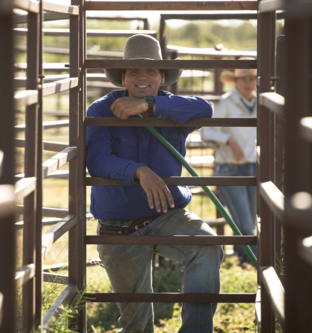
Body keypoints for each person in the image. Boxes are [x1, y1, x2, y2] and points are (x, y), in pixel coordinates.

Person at [86, 34, 224, 333]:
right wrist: (139, 171)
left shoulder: (173, 107)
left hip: (167, 214)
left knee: (208, 247)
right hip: (118, 223)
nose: (142, 77)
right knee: (137, 326)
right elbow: (96, 160)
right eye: (134, 71)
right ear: (123, 77)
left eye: (150, 71)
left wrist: (148, 106)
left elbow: (206, 110)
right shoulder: (101, 109)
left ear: (163, 76)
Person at [200, 64, 258, 266]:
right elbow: (206, 132)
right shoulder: (226, 103)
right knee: (244, 220)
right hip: (230, 167)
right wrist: (229, 140)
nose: (248, 83)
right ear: (236, 82)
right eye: (244, 79)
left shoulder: (259, 103)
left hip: (253, 166)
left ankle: (246, 260)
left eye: (251, 78)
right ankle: (254, 261)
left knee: (249, 219)